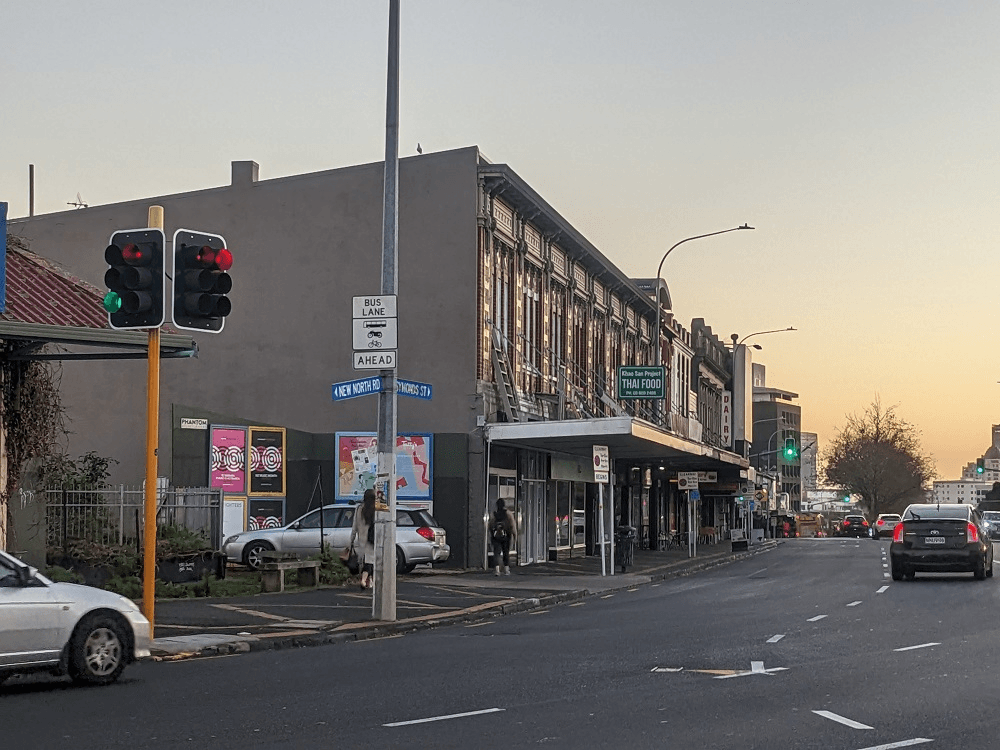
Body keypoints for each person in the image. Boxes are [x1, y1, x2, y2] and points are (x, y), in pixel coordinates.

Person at [350, 489, 377, 590]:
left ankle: (369, 581)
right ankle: (364, 579)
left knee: (365, 561)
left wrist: (351, 540)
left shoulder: (359, 509)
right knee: (371, 562)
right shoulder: (375, 510)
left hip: (361, 540)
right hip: (372, 540)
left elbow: (354, 526)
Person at [490, 498, 516, 576]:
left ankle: (497, 570)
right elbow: (512, 525)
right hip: (506, 536)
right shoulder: (508, 514)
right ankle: (506, 569)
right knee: (506, 552)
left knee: (496, 553)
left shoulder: (494, 514)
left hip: (496, 537)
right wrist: (515, 536)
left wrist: (491, 535)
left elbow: (490, 525)